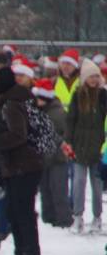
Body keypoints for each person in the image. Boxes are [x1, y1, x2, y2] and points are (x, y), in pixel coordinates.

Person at [0, 67, 45, 255]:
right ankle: (24, 252)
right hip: (25, 165)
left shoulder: (11, 105)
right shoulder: (21, 99)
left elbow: (17, 135)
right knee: (18, 210)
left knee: (21, 211)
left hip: (22, 165)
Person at [65, 58, 106, 234]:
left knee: (96, 185)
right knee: (78, 182)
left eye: (96, 76)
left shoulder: (103, 96)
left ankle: (97, 217)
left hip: (98, 145)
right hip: (80, 144)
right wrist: (69, 141)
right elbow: (70, 120)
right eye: (91, 77)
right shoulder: (77, 95)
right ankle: (77, 216)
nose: (94, 80)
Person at [33, 79, 73, 228]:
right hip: (44, 157)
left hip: (57, 157)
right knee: (46, 190)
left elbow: (64, 135)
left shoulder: (57, 113)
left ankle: (63, 220)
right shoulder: (39, 111)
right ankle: (49, 218)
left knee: (58, 190)